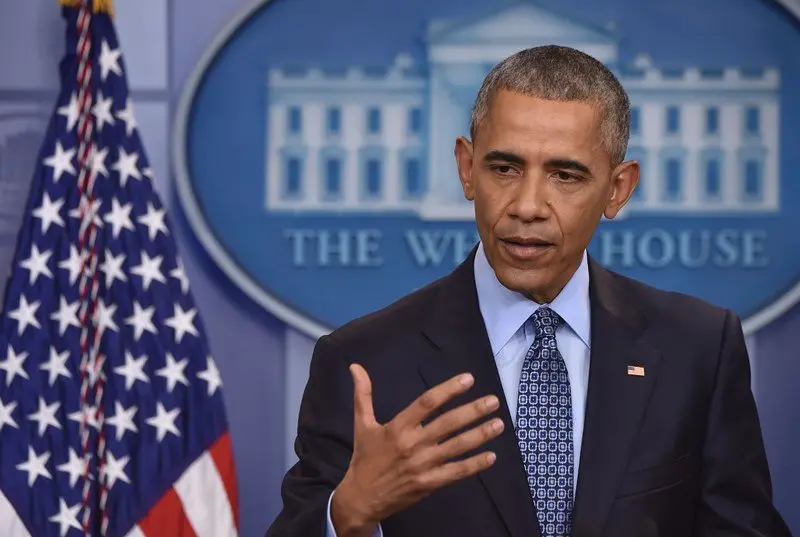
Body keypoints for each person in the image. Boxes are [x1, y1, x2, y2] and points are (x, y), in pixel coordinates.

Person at [266, 45, 792, 537]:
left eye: (565, 175)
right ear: (467, 169)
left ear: (617, 189)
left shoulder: (697, 347)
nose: (527, 205)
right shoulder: (364, 361)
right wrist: (348, 514)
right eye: (504, 168)